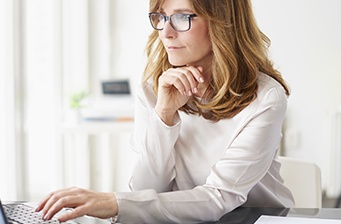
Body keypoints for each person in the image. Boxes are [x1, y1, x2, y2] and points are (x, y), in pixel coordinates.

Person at [36, 0, 295, 223]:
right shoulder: (154, 87)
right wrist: (163, 115)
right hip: (184, 218)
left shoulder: (265, 97)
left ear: (222, 23)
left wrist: (115, 203)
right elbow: (146, 189)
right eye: (161, 17)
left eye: (182, 17)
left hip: (255, 218)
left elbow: (220, 196)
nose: (166, 32)